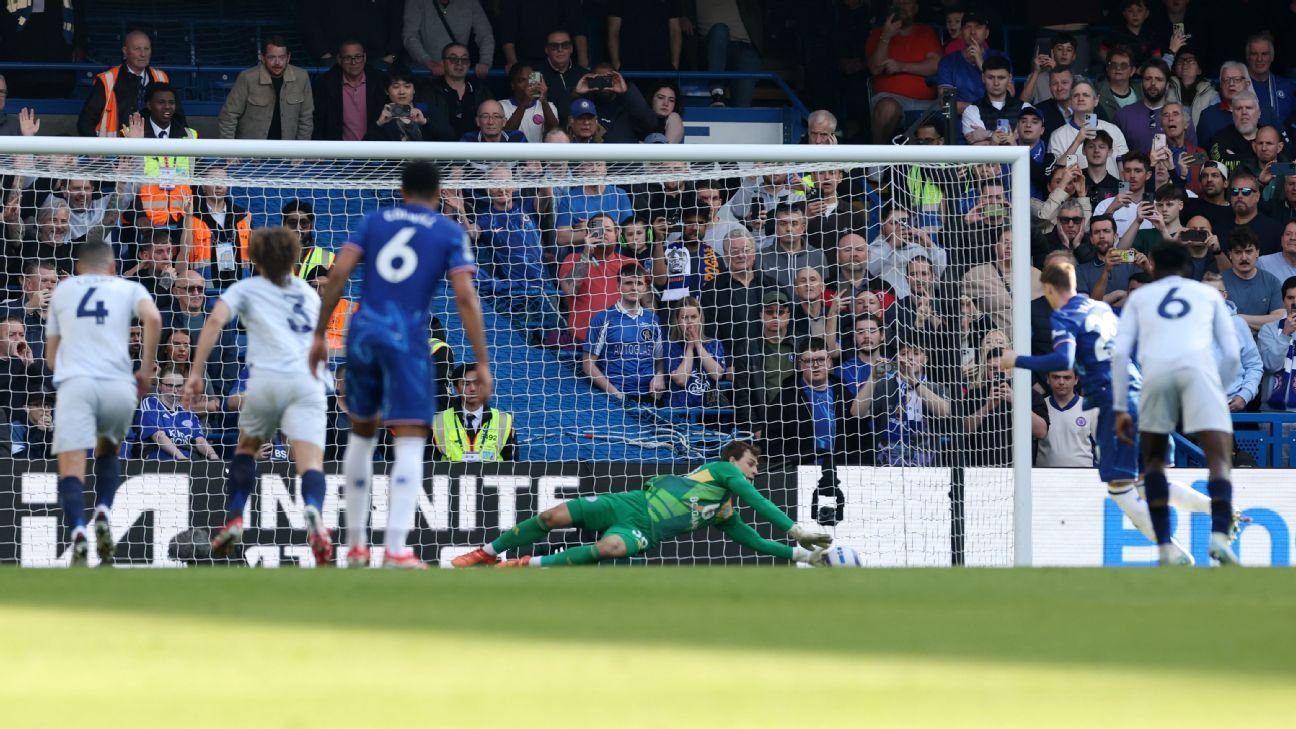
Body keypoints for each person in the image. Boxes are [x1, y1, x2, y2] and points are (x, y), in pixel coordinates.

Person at [308, 161, 493, 570]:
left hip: (363, 331)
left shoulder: (375, 220)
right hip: (407, 335)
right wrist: (481, 360)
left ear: (402, 188)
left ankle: (355, 546)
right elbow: (464, 296)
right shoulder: (447, 230)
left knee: (361, 432)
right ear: (437, 192)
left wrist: (320, 333)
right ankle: (394, 549)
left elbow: (338, 273)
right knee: (409, 437)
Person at [1000, 258, 1197, 564]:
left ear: (1049, 288)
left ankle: (1169, 548)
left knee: (1120, 488)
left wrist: (1018, 360)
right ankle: (1218, 508)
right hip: (1142, 392)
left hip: (1114, 401)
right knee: (1149, 480)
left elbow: (1062, 358)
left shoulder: (1063, 317)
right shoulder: (1102, 309)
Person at [187, 226, 332, 565]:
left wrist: (195, 373)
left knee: (247, 449)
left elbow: (213, 321)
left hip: (267, 379)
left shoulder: (246, 287)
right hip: (308, 381)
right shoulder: (308, 294)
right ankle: (313, 511)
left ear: (254, 258)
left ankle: (236, 515)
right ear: (295, 258)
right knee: (309, 460)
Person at [452, 440, 831, 567]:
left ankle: (522, 565)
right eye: (751, 464)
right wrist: (796, 531)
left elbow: (754, 542)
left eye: (757, 468)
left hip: (643, 529)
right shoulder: (720, 470)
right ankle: (486, 552)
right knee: (553, 515)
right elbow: (758, 501)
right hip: (627, 502)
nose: (754, 472)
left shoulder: (723, 510)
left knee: (611, 547)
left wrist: (799, 555)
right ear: (734, 461)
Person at [1113, 241, 1242, 565]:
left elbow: (1119, 354)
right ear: (1189, 267)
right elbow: (1232, 355)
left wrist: (1119, 407)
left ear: (1153, 264)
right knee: (1219, 460)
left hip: (1155, 374)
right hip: (1199, 373)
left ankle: (1165, 548)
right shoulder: (1209, 295)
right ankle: (1219, 536)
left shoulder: (1140, 297)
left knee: (1153, 464)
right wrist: (1217, 390)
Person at [45, 240, 161, 565]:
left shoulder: (62, 291)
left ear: (79, 267)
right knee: (108, 448)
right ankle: (103, 510)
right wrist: (146, 370)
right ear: (112, 266)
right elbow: (153, 318)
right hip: (118, 385)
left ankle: (79, 531)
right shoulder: (128, 287)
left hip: (77, 383)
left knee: (72, 463)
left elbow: (52, 358)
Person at [76, 29, 183, 137]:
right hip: (115, 149)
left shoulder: (162, 77)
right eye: (137, 49)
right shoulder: (107, 80)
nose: (143, 54)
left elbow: (178, 118)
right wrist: (95, 151)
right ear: (125, 51)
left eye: (147, 49)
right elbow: (86, 123)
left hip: (154, 150)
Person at [582, 265, 665, 402]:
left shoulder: (654, 320)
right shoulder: (603, 319)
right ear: (618, 286)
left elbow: (659, 360)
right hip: (614, 398)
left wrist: (660, 375)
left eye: (639, 283)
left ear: (645, 288)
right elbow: (588, 364)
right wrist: (614, 393)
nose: (634, 288)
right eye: (628, 283)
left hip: (649, 396)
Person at [864, 0, 941, 144]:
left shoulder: (926, 32)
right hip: (890, 100)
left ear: (916, 8)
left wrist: (901, 66)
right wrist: (885, 36)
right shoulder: (877, 34)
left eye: (906, 3)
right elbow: (875, 68)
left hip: (927, 103)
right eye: (897, 3)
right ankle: (877, 163)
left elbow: (936, 65)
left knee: (952, 107)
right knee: (887, 108)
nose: (901, 7)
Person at [218, 36, 313, 141]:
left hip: (288, 153)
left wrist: (300, 152)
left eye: (282, 57)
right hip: (252, 153)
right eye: (272, 57)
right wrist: (230, 153)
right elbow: (229, 116)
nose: (277, 62)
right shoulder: (247, 78)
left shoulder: (302, 77)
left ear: (288, 58)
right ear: (263, 58)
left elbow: (306, 118)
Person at [431, 362, 518, 462]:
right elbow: (429, 466)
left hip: (490, 477)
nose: (472, 388)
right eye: (466, 384)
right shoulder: (438, 422)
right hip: (451, 477)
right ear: (456, 389)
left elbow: (513, 466)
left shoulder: (504, 421)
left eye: (477, 383)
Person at [1049, 79, 1130, 178]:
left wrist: (1124, 191)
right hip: (1075, 192)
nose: (1081, 98)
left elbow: (1124, 170)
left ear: (1096, 100)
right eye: (1076, 95)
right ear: (1070, 101)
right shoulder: (1057, 135)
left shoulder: (1113, 130)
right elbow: (1055, 174)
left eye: (1086, 95)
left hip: (1110, 192)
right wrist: (1077, 141)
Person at [311, 39, 389, 142]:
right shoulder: (324, 85)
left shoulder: (381, 81)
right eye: (347, 58)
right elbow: (318, 122)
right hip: (337, 153)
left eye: (358, 57)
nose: (353, 62)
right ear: (339, 59)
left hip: (376, 150)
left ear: (364, 58)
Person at [935, 12, 1010, 115]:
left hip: (993, 120)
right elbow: (947, 102)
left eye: (978, 27)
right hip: (960, 122)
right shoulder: (948, 61)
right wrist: (985, 108)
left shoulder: (1000, 57)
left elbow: (1010, 93)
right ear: (961, 32)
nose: (973, 32)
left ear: (987, 33)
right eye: (967, 27)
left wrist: (981, 64)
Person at [662, 297, 730, 409]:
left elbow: (717, 374)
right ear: (677, 321)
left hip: (709, 411)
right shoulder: (670, 345)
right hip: (681, 411)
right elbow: (680, 380)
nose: (689, 321)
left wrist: (698, 344)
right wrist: (690, 346)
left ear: (700, 319)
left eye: (693, 317)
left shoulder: (714, 344)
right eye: (684, 317)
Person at [402, 0, 494, 80]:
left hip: (456, 75)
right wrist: (428, 62)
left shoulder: (470, 2)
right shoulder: (417, 2)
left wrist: (485, 61)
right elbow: (410, 36)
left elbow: (485, 35)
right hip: (423, 74)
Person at [1221, 227, 1287, 333]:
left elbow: (1279, 319)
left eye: (1249, 251)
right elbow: (1219, 323)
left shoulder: (1272, 282)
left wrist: (1239, 318)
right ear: (1230, 255)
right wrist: (1260, 324)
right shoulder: (1218, 283)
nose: (1244, 257)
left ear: (1257, 252)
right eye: (1238, 252)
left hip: (1265, 347)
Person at [365, 65, 455, 142]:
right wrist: (379, 124)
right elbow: (365, 149)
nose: (402, 92)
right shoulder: (381, 113)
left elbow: (450, 137)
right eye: (396, 87)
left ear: (414, 89)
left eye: (407, 86)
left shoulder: (427, 109)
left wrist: (425, 122)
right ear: (386, 91)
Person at [497, 0, 588, 70]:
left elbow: (578, 26)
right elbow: (507, 30)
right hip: (529, 62)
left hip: (561, 59)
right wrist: (513, 63)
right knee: (535, 93)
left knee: (565, 91)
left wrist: (583, 61)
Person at [1036, 369, 1098, 467]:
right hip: (1045, 476)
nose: (1061, 382)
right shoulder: (1038, 407)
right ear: (1048, 379)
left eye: (1067, 378)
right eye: (1056, 377)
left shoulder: (1091, 408)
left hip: (1084, 476)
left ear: (1076, 380)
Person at [606, 0, 684, 73]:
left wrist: (675, 64)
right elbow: (613, 31)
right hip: (629, 65)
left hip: (663, 65)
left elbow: (675, 31)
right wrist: (616, 64)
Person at [960, 56, 1023, 146]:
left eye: (1001, 78)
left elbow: (1029, 141)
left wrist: (987, 134)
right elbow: (979, 149)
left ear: (1009, 78)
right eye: (990, 77)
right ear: (983, 77)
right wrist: (1014, 137)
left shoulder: (1025, 108)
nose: (996, 83)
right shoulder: (971, 110)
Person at [500, 63, 559, 143]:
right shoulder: (501, 106)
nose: (528, 85)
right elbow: (506, 135)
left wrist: (544, 102)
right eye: (522, 81)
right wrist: (524, 102)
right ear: (513, 85)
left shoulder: (548, 106)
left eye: (532, 80)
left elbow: (554, 132)